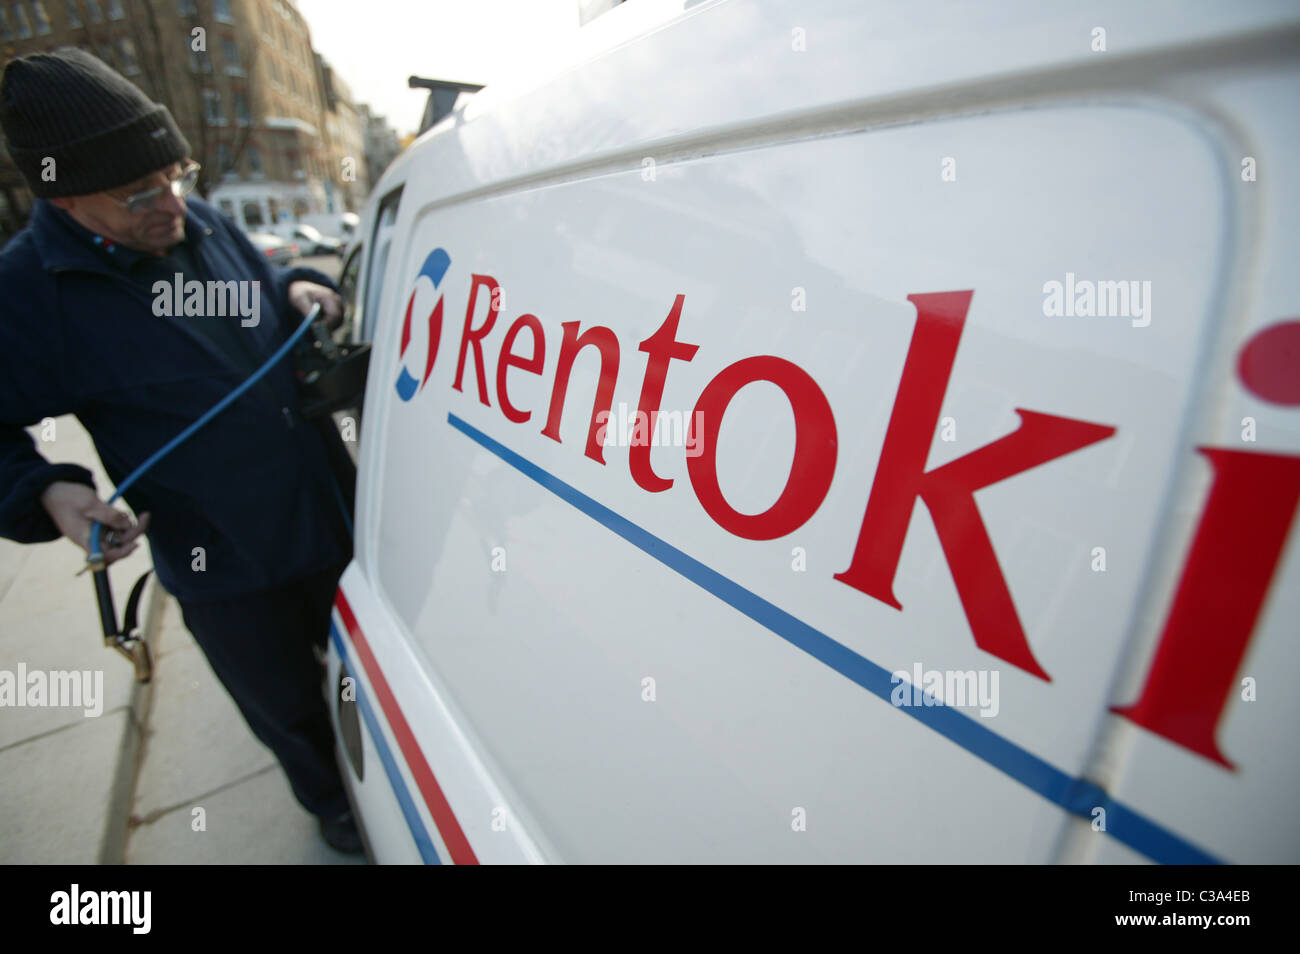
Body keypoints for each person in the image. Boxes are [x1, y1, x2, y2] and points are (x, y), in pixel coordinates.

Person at [0, 48, 363, 855]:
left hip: (328, 514)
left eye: (176, 174)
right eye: (139, 194)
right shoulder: (27, 295)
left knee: (366, 678)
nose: (172, 203)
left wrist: (299, 282)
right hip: (225, 563)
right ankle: (337, 812)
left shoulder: (194, 217)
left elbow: (260, 293)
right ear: (63, 196)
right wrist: (48, 492)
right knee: (292, 713)